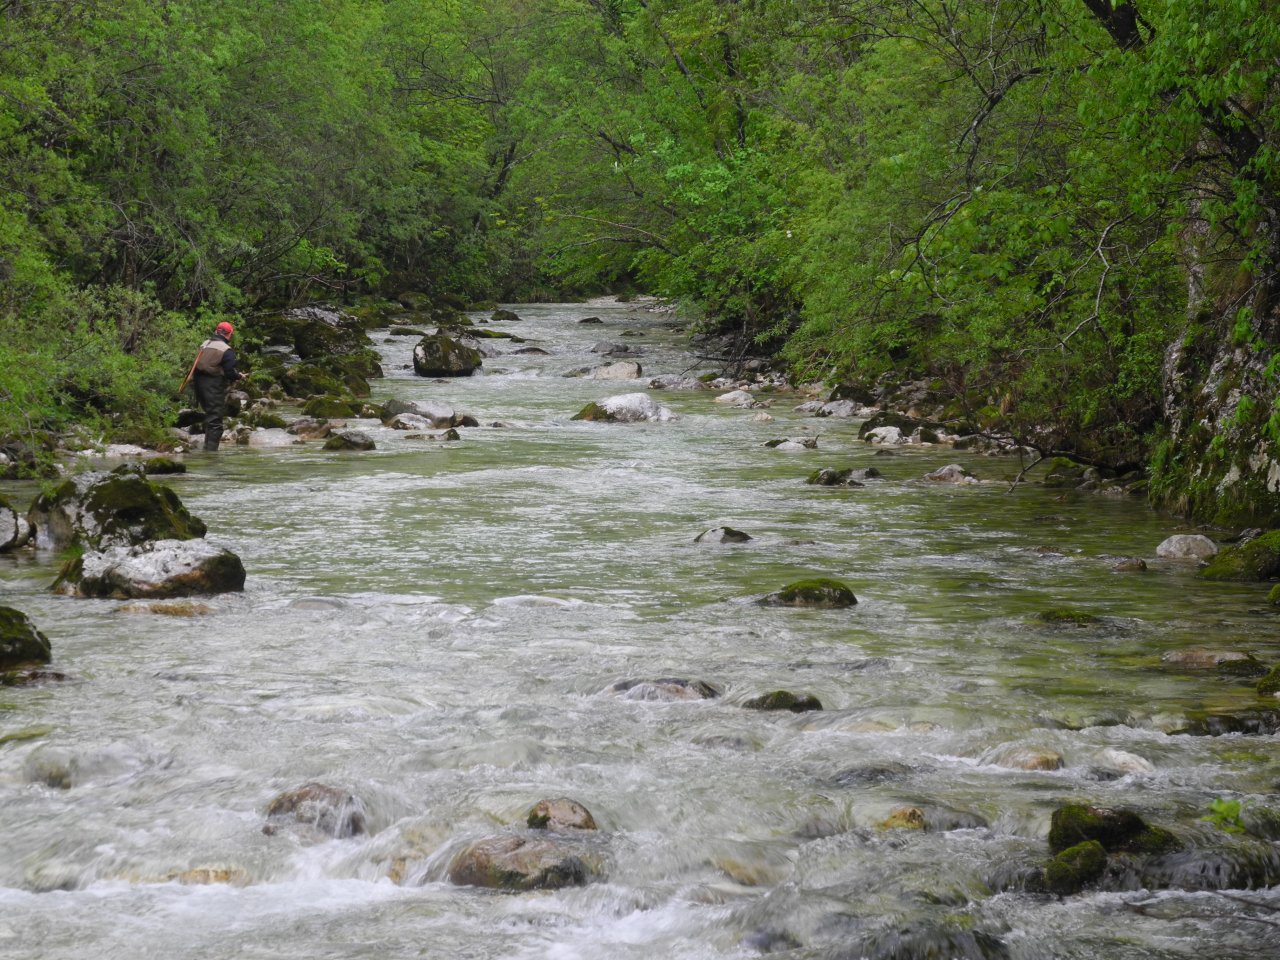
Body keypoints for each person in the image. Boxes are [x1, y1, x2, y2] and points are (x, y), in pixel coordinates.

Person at [191, 321, 245, 451]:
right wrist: (239, 376)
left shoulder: (205, 344)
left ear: (216, 331)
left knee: (210, 416)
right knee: (215, 422)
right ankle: (210, 456)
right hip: (213, 386)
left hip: (198, 384)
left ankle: (206, 448)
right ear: (230, 334)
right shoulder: (227, 351)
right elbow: (230, 373)